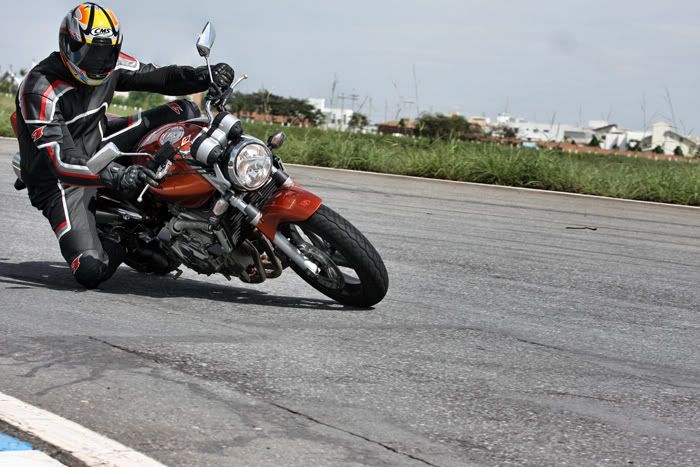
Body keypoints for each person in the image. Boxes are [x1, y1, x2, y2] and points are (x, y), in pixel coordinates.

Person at [14, 2, 234, 288]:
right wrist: (115, 175)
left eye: (107, 53)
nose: (99, 63)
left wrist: (206, 76)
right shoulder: (40, 88)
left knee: (184, 112)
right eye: (91, 53)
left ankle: (187, 192)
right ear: (68, 44)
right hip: (60, 181)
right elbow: (59, 160)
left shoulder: (111, 64)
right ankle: (124, 236)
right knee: (91, 270)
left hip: (100, 141)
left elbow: (160, 77)